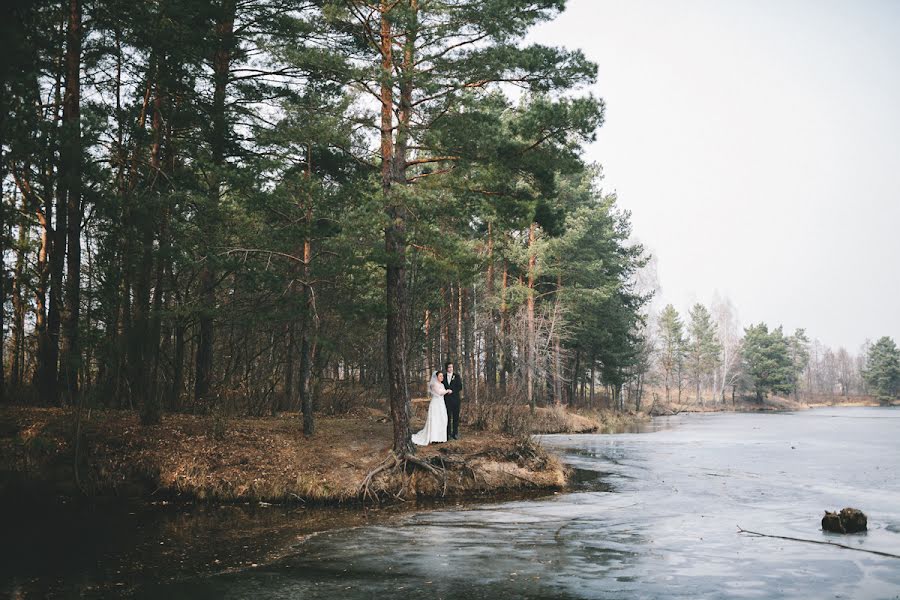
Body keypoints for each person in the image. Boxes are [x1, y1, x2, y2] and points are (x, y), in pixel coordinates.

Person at [412, 371, 451, 446]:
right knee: (435, 420)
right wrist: (447, 391)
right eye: (440, 376)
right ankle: (434, 438)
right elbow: (439, 392)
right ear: (436, 377)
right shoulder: (434, 384)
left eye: (442, 376)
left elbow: (442, 392)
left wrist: (446, 391)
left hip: (441, 403)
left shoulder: (442, 384)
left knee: (442, 419)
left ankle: (441, 438)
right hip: (435, 404)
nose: (442, 377)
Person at [443, 361, 463, 440]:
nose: (450, 369)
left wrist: (452, 390)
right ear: (446, 368)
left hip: (456, 400)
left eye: (451, 367)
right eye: (449, 367)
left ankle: (455, 433)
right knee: (447, 417)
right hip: (446, 401)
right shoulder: (443, 377)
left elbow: (460, 387)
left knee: (455, 417)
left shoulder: (457, 376)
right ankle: (447, 434)